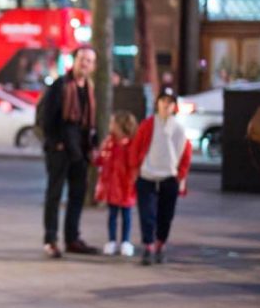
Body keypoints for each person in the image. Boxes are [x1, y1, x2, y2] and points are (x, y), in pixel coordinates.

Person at [41, 46, 99, 258]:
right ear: (74, 61)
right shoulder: (60, 86)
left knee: (77, 195)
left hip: (80, 152)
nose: (85, 63)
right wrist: (56, 143)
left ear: (93, 66)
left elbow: (90, 122)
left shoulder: (90, 88)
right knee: (54, 195)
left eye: (89, 60)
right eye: (82, 59)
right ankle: (50, 240)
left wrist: (93, 146)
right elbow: (46, 118)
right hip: (61, 150)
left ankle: (72, 238)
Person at [128, 88, 192, 265]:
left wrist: (180, 176)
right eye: (163, 100)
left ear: (174, 106)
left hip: (169, 178)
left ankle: (160, 244)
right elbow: (136, 147)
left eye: (170, 102)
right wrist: (135, 170)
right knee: (147, 213)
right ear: (157, 103)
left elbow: (186, 154)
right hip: (147, 175)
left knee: (166, 214)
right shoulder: (148, 125)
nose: (166, 105)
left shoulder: (178, 129)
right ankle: (148, 244)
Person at [93, 110, 138, 256]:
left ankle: (125, 241)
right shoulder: (109, 142)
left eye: (113, 123)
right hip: (112, 185)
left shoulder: (130, 144)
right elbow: (101, 159)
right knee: (112, 214)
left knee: (126, 215)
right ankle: (112, 241)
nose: (110, 126)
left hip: (126, 185)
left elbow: (133, 164)